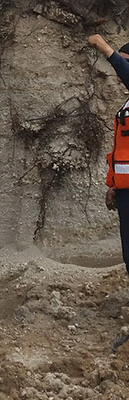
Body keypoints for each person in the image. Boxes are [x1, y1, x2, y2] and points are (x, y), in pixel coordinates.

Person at [88, 33, 129, 276]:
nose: (119, 71)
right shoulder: (126, 105)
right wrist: (114, 184)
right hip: (125, 191)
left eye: (125, 62)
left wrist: (106, 50)